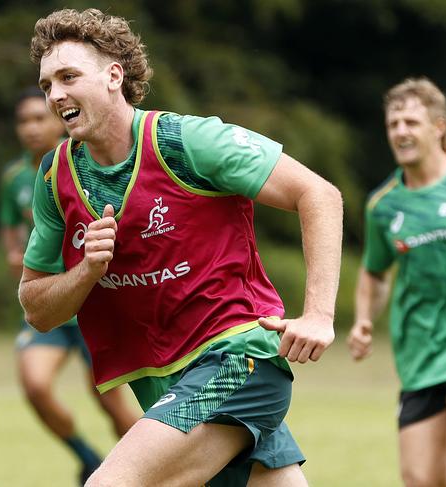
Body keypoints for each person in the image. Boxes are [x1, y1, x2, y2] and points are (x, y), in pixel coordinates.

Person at [18, 8, 343, 486]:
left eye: (69, 76)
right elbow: (37, 308)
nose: (55, 94)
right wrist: (86, 270)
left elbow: (318, 194)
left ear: (113, 76)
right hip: (166, 383)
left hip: (238, 359)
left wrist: (318, 315)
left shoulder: (186, 141)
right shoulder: (54, 175)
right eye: (47, 84)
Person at [348, 77, 446, 487]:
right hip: (420, 351)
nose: (400, 132)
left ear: (439, 127)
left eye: (411, 122)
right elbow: (375, 272)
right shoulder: (384, 204)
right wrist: (363, 320)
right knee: (421, 479)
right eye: (393, 124)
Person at [0, 86, 138, 484]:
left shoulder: (81, 162)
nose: (31, 128)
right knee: (35, 385)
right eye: (23, 120)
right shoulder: (13, 178)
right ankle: (89, 458)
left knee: (111, 406)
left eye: (39, 118)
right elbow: (8, 226)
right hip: (51, 308)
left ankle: (152, 471)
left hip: (95, 306)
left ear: (58, 118)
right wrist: (13, 254)